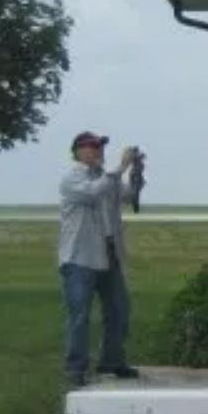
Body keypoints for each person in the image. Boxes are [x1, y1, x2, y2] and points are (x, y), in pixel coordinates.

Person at [58, 132, 140, 387]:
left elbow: (129, 196)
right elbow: (93, 193)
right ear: (77, 152)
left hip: (109, 255)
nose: (96, 150)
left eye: (99, 146)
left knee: (118, 310)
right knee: (80, 314)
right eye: (89, 146)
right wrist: (120, 167)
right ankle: (75, 368)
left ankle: (112, 361)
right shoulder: (73, 177)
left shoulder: (106, 177)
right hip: (80, 257)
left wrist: (136, 172)